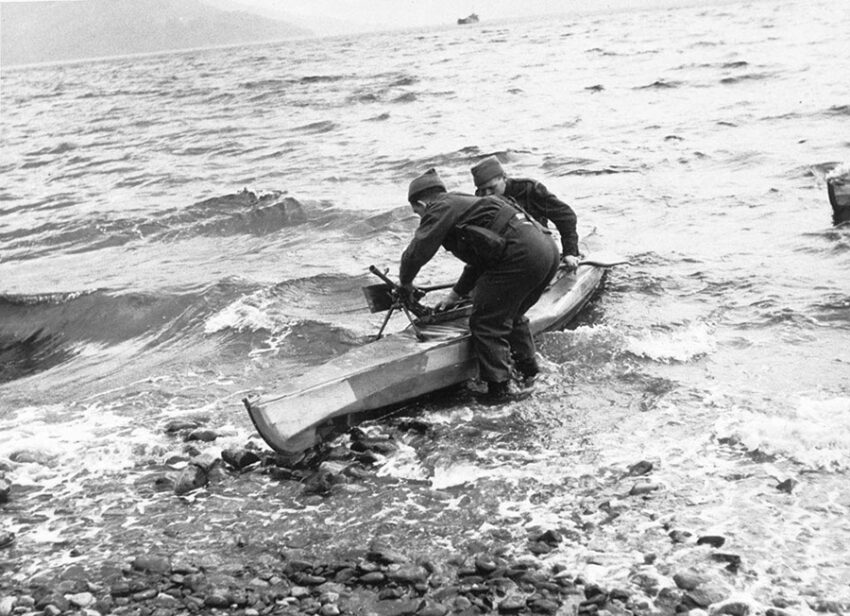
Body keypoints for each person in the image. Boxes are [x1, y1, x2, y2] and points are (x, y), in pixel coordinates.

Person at [399, 168, 560, 402]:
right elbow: (481, 260)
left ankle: (500, 393)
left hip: (522, 253)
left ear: (423, 204)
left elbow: (417, 251)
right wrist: (455, 295)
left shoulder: (440, 207)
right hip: (545, 249)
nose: (420, 217)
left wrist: (405, 283)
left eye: (417, 213)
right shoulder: (467, 204)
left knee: (486, 323)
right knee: (510, 314)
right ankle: (529, 375)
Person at [470, 156, 581, 270]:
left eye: (492, 188)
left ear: (504, 178)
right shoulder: (480, 200)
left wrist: (570, 252)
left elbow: (566, 216)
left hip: (539, 249)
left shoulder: (529, 189)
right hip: (507, 255)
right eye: (482, 190)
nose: (487, 194)